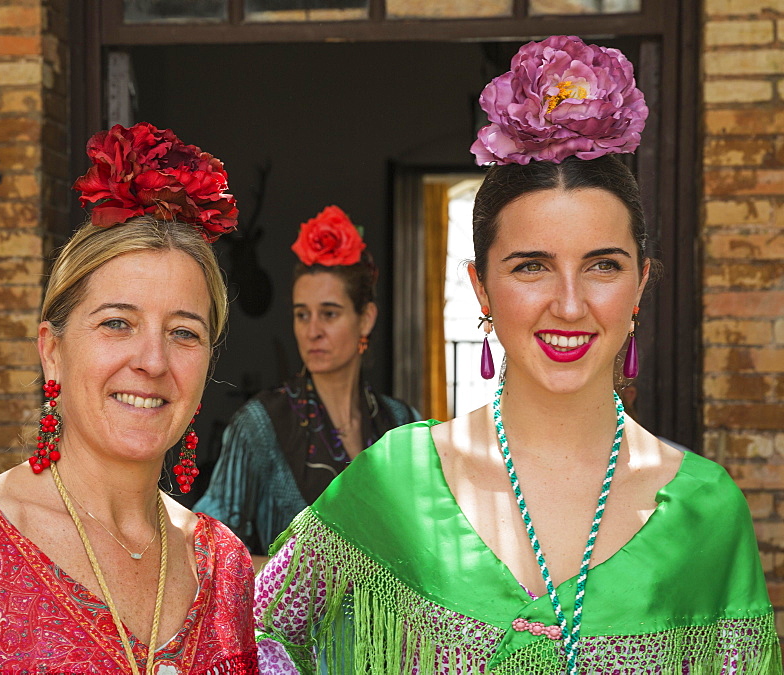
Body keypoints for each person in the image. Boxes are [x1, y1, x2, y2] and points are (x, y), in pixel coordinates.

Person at [254, 36, 780, 674]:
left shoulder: (707, 513)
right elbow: (256, 644)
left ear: (641, 283)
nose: (567, 304)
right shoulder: (396, 482)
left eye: (602, 267)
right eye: (531, 266)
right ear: (481, 287)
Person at [0, 124, 259, 673]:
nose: (153, 361)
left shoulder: (221, 563)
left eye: (185, 332)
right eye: (117, 323)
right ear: (52, 351)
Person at [195, 205, 418, 555]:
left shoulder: (402, 423)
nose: (312, 331)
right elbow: (207, 548)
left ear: (366, 319)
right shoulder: (260, 424)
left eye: (329, 313)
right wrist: (282, 579)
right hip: (287, 611)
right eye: (302, 314)